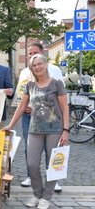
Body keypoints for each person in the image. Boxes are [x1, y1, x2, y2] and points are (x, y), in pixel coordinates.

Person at [2, 54, 69, 209]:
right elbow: (20, 107)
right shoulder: (30, 85)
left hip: (55, 129)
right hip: (35, 129)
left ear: (45, 65)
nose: (37, 67)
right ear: (31, 68)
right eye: (34, 65)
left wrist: (66, 130)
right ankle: (37, 194)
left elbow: (65, 108)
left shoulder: (57, 83)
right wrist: (10, 125)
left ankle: (46, 197)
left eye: (40, 64)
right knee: (32, 163)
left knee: (53, 165)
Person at [19, 43, 64, 191]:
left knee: (51, 150)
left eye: (35, 53)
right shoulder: (25, 72)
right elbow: (22, 96)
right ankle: (30, 176)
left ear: (42, 53)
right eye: (29, 54)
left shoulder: (54, 70)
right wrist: (27, 107)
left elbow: (59, 97)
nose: (32, 56)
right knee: (30, 148)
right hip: (29, 116)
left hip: (51, 119)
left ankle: (52, 179)